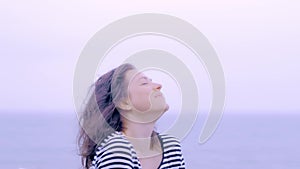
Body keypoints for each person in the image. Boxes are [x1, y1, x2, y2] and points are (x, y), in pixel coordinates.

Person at [77, 63, 186, 169]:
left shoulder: (171, 148)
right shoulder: (117, 150)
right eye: (144, 83)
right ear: (124, 102)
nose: (158, 86)